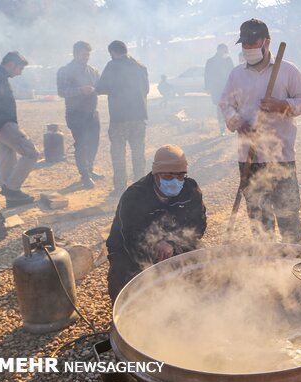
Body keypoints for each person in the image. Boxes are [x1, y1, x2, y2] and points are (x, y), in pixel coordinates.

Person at [219, 19, 301, 243]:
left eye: (253, 42)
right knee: (259, 216)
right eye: (245, 44)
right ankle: (266, 264)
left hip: (281, 156)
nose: (248, 48)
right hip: (249, 156)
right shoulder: (236, 74)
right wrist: (237, 122)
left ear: (267, 42)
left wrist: (283, 105)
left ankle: (293, 262)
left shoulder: (288, 71)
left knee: (288, 214)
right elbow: (225, 103)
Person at [106, 144, 207, 303]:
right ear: (156, 174)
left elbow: (198, 225)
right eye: (168, 176)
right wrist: (155, 252)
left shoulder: (190, 189)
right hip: (131, 250)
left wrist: (172, 243)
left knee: (202, 260)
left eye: (180, 176)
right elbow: (130, 237)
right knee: (123, 279)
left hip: (174, 244)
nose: (175, 181)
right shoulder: (135, 196)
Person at [0, 51, 38, 208]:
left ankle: (12, 198)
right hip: (3, 125)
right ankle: (12, 190)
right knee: (31, 153)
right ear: (12, 64)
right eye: (20, 69)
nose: (20, 73)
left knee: (7, 158)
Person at [95, 40, 149, 197]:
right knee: (138, 152)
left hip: (120, 118)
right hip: (139, 117)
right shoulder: (140, 66)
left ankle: (120, 188)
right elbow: (145, 89)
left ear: (112, 52)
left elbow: (101, 87)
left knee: (118, 153)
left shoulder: (113, 66)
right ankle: (141, 187)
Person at [57, 41, 102, 189]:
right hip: (75, 114)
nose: (86, 57)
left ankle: (90, 169)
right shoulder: (65, 70)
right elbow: (62, 91)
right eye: (84, 54)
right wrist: (80, 90)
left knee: (94, 143)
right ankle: (85, 175)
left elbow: (100, 86)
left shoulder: (93, 70)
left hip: (92, 112)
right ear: (75, 54)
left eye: (88, 54)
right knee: (81, 144)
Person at [204, 44, 234, 135]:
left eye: (226, 50)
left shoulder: (228, 60)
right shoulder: (211, 61)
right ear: (218, 50)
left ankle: (232, 126)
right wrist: (208, 87)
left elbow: (233, 73)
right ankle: (222, 129)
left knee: (231, 107)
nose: (225, 52)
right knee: (220, 108)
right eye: (224, 50)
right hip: (217, 89)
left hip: (228, 88)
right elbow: (207, 75)